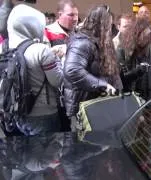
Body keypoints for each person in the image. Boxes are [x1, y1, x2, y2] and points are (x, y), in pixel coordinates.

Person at [63, 5, 123, 131]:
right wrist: (103, 85)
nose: (110, 30)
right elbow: (72, 70)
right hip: (82, 108)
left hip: (95, 107)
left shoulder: (100, 42)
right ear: (100, 24)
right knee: (84, 146)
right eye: (108, 25)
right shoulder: (82, 42)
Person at [7, 4, 63, 135]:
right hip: (43, 114)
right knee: (46, 155)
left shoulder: (3, 49)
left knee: (22, 153)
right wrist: (57, 59)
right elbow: (57, 80)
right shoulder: (41, 50)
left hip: (14, 114)